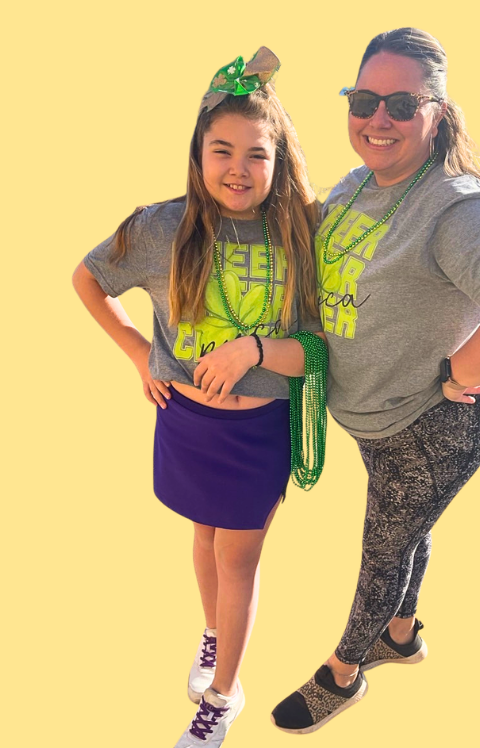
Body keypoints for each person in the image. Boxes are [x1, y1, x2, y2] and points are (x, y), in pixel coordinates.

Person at [270, 28, 480, 733]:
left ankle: (344, 673)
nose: (379, 119)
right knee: (409, 524)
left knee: (384, 545)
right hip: (380, 414)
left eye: (402, 104)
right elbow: (313, 230)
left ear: (437, 112)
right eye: (365, 99)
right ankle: (402, 636)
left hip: (433, 423)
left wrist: (458, 371)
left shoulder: (455, 208)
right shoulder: (361, 183)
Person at [72, 47, 321, 748]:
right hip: (185, 422)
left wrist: (255, 351)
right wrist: (137, 353)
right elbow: (88, 279)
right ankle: (213, 636)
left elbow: (321, 351)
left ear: (277, 161)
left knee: (238, 558)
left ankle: (223, 694)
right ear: (198, 153)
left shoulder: (300, 235)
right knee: (205, 537)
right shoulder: (161, 228)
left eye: (256, 153)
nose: (238, 168)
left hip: (259, 434)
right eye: (222, 150)